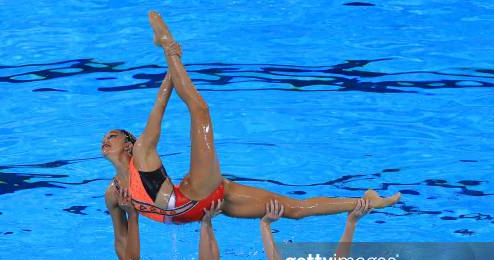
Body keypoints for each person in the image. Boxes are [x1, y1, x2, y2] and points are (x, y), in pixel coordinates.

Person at [102, 11, 401, 229]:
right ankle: (368, 201)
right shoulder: (113, 194)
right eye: (106, 137)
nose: (106, 139)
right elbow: (122, 244)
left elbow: (159, 104)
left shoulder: (141, 152)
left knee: (201, 111)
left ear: (129, 144)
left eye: (113, 135)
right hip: (205, 205)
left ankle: (167, 44)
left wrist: (171, 66)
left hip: (196, 195)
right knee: (293, 210)